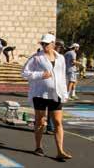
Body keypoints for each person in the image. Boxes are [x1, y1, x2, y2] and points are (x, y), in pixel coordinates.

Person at [22, 33, 71, 161]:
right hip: (40, 94)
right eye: (42, 43)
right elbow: (24, 73)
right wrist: (40, 75)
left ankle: (60, 151)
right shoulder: (36, 57)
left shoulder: (61, 58)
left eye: (46, 43)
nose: (44, 45)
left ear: (53, 44)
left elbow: (62, 76)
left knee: (58, 122)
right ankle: (38, 147)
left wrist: (64, 93)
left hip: (56, 94)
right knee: (40, 121)